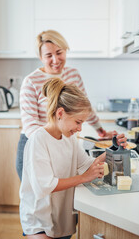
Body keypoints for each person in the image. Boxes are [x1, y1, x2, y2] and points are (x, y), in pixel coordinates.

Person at [19, 78, 126, 238]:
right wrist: (83, 178)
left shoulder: (69, 138)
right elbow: (44, 186)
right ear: (60, 113)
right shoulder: (38, 140)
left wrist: (113, 149)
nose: (80, 128)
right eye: (78, 122)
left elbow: (88, 165)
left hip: (62, 218)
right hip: (39, 221)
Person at [17, 30, 117, 180]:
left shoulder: (73, 74)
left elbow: (84, 108)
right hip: (36, 147)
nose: (56, 60)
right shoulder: (31, 81)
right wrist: (55, 144)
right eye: (49, 55)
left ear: (66, 50)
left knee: (60, 195)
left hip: (63, 143)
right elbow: (30, 125)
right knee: (40, 196)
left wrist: (101, 132)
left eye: (59, 52)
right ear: (40, 57)